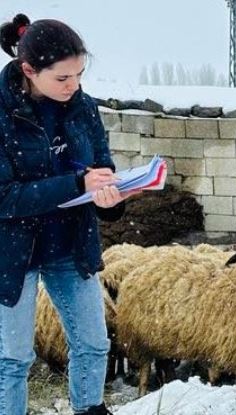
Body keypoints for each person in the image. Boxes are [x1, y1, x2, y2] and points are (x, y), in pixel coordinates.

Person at [0, 14, 138, 415]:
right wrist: (78, 186)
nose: (73, 85)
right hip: (13, 253)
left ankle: (89, 409)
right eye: (62, 78)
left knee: (94, 342)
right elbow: (5, 198)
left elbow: (101, 167)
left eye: (78, 74)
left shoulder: (81, 108)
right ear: (29, 70)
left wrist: (110, 198)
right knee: (13, 359)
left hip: (69, 243)